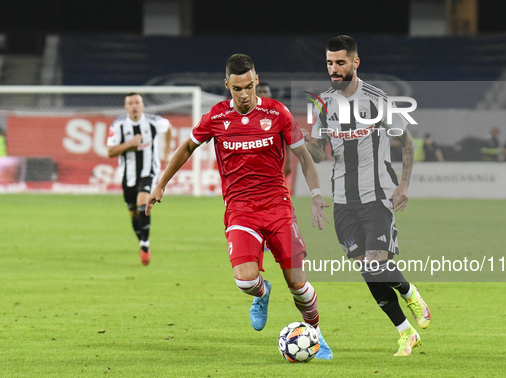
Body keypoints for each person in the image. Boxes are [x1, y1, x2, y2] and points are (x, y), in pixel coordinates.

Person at [146, 54, 333, 359]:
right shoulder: (216, 119)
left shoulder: (278, 113)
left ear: (256, 80)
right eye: (237, 89)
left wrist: (314, 194)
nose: (244, 94)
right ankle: (262, 293)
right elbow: (187, 147)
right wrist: (161, 184)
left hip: (277, 207)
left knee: (298, 283)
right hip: (240, 209)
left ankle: (316, 334)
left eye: (248, 86)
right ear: (227, 86)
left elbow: (304, 157)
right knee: (245, 281)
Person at [302, 35, 430, 357]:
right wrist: (307, 142)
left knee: (375, 264)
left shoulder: (377, 98)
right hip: (343, 200)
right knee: (365, 268)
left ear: (355, 63)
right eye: (330, 63)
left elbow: (407, 141)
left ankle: (408, 292)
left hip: (377, 195)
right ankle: (406, 331)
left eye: (340, 62)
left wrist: (404, 184)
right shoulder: (323, 104)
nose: (334, 68)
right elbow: (318, 154)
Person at [107, 93, 172, 266]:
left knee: (142, 202)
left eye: (137, 102)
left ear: (142, 105)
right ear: (126, 107)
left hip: (148, 170)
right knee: (133, 212)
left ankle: (144, 244)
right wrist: (130, 144)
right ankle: (143, 242)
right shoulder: (119, 124)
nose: (134, 106)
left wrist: (166, 152)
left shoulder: (153, 121)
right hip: (127, 174)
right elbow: (110, 151)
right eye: (130, 103)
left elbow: (169, 128)